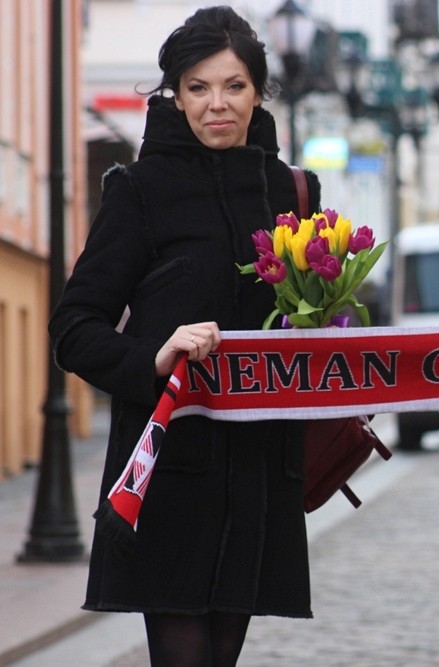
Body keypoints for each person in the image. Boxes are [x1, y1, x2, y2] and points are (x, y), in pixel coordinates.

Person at [49, 7, 320, 666]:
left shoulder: (291, 191)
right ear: (175, 95)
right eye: (197, 87)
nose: (216, 104)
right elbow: (74, 328)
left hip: (259, 471)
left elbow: (314, 322)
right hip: (168, 474)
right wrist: (153, 356)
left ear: (258, 93)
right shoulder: (140, 190)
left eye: (233, 86)